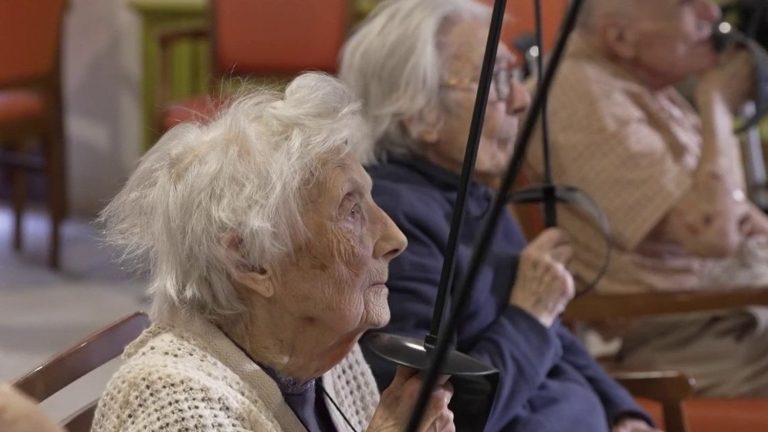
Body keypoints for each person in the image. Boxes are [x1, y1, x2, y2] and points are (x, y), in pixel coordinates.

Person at [339, 0, 658, 431]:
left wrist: (623, 413)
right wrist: (530, 313)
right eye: (497, 79)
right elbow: (441, 413)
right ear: (419, 113)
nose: (522, 99)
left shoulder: (470, 194)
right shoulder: (393, 223)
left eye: (515, 73)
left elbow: (553, 336)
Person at [91, 73, 455, 432]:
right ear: (250, 260)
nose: (395, 238)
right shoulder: (174, 408)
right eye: (352, 211)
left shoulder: (322, 351)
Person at [527, 0, 768, 397]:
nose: (712, 14)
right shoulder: (581, 96)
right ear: (620, 37)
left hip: (735, 310)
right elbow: (714, 234)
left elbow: (741, 216)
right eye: (688, 5)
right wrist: (718, 108)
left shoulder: (637, 87)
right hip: (696, 334)